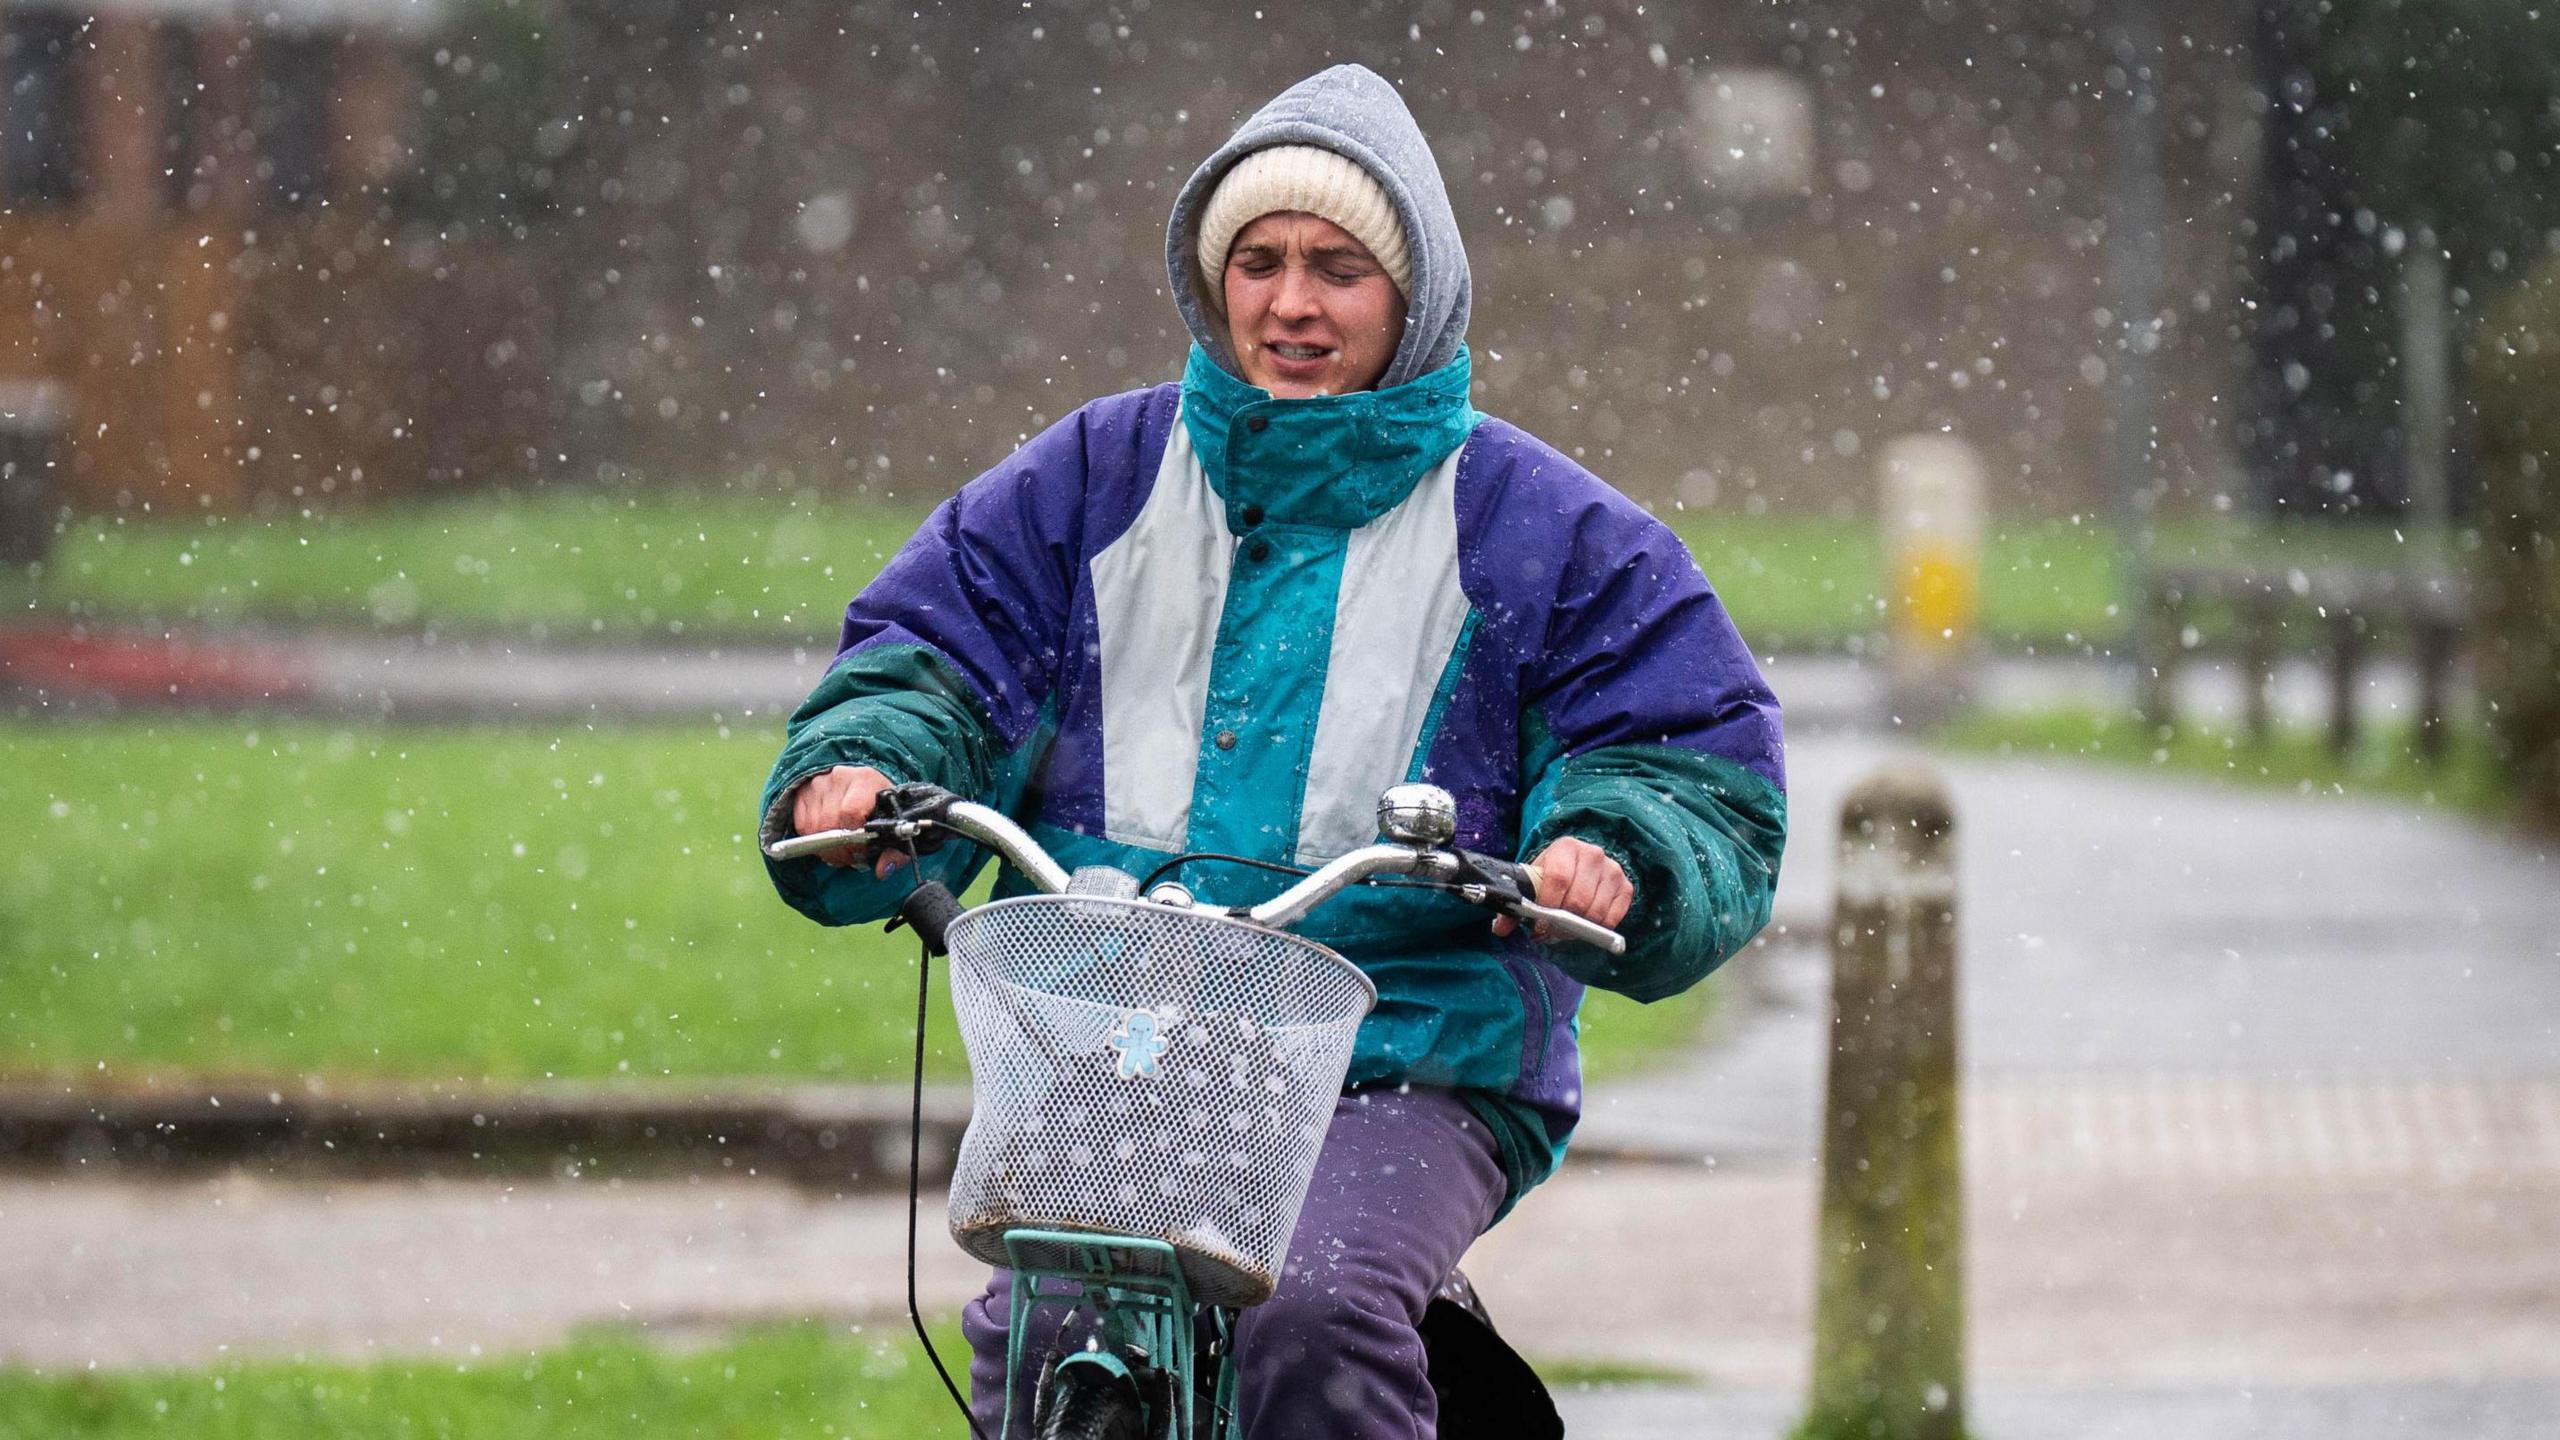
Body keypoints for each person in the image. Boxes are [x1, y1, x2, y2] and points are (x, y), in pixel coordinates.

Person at [758, 63, 1785, 1439]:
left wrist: (1612, 855)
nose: (1292, 302)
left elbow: (1685, 757)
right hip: (1117, 1043)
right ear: (1209, 280)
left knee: (1307, 1307)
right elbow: (933, 660)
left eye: (1339, 268)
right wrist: (869, 778)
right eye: (1259, 261)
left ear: (1413, 297)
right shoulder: (1089, 482)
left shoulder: (1544, 528)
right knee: (1048, 1318)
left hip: (1411, 1051)